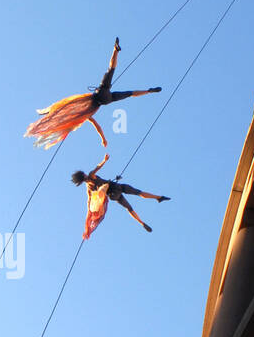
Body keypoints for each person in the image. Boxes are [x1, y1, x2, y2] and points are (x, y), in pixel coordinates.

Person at [25, 38, 161, 149]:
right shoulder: (86, 110)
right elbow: (65, 108)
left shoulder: (87, 114)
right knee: (114, 76)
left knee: (127, 91)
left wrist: (103, 139)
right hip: (102, 94)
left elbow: (97, 126)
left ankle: (147, 89)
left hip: (106, 100)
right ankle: (117, 52)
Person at [72, 152, 171, 239]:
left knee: (129, 208)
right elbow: (98, 167)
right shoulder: (91, 175)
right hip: (116, 187)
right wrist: (104, 160)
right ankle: (158, 198)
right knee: (139, 193)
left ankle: (141, 222)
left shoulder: (88, 189)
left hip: (113, 195)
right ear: (83, 175)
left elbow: (89, 203)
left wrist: (89, 219)